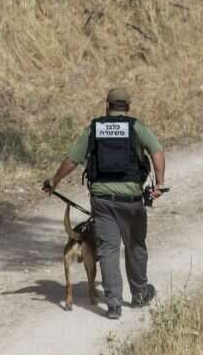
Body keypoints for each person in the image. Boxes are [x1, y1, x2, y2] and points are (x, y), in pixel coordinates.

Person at [44, 87, 166, 320]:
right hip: (131, 200)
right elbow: (157, 153)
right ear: (128, 107)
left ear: (107, 106)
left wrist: (54, 181)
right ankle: (140, 293)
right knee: (135, 247)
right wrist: (159, 184)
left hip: (102, 201)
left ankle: (113, 304)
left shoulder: (94, 129)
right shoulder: (137, 128)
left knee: (108, 250)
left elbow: (72, 159)